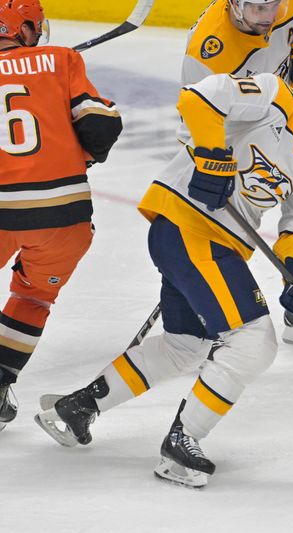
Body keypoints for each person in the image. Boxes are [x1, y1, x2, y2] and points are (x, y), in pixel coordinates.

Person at [36, 59, 293, 487]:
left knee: (185, 346)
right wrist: (212, 155)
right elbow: (201, 98)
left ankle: (78, 408)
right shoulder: (271, 97)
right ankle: (182, 440)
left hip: (209, 244)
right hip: (189, 228)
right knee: (254, 341)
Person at [183, 0, 293, 346]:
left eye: (272, 8)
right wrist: (210, 160)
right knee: (211, 227)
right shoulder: (207, 52)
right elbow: (198, 111)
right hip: (238, 131)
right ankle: (197, 304)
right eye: (257, 10)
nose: (268, 19)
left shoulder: (288, 5)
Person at [0, 0, 122, 432]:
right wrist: (71, 150)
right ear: (27, 28)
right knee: (33, 297)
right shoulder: (60, 59)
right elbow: (102, 127)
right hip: (61, 215)